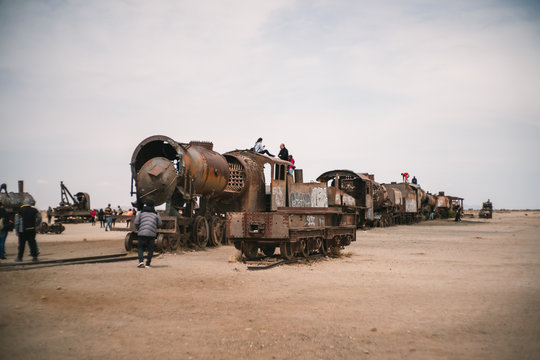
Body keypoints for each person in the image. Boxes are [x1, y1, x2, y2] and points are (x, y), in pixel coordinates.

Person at [134, 199, 162, 268]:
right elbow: (160, 223)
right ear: (153, 206)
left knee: (140, 248)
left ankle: (141, 261)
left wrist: (138, 228)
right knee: (150, 249)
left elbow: (136, 222)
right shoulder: (156, 214)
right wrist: (155, 227)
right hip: (151, 234)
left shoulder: (141, 212)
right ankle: (147, 264)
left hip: (141, 233)